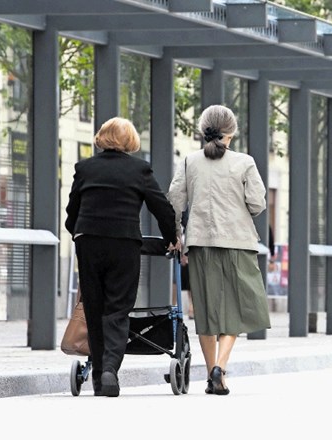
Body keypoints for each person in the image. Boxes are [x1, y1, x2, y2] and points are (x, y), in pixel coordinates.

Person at [65, 117, 177, 397]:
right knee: (117, 309)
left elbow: (72, 210)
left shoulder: (85, 168)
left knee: (94, 306)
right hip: (124, 244)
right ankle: (109, 370)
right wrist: (171, 239)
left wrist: (76, 232)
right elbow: (161, 208)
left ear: (102, 137)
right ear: (130, 141)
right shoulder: (139, 169)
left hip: (88, 242)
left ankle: (101, 378)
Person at [168, 104, 271, 396]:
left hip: (200, 244)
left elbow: (175, 202)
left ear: (204, 131)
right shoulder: (245, 162)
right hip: (238, 242)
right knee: (236, 310)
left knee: (206, 311)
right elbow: (257, 204)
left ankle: (212, 371)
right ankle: (220, 369)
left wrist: (177, 235)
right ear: (232, 132)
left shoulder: (189, 161)